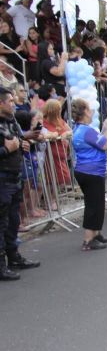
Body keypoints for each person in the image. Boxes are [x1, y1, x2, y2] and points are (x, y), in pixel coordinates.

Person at [0, 87, 39, 279]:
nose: (14, 104)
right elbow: (7, 147)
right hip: (2, 179)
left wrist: (23, 142)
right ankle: (1, 265)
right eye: (10, 101)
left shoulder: (11, 121)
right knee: (2, 222)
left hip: (13, 176)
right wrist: (6, 150)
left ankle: (14, 256)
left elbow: (17, 140)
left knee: (13, 220)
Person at [71, 98, 107, 251]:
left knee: (96, 203)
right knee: (94, 204)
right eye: (89, 109)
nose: (91, 112)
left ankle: (96, 233)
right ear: (84, 112)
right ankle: (88, 239)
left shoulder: (78, 129)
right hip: (91, 171)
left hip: (85, 170)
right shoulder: (86, 130)